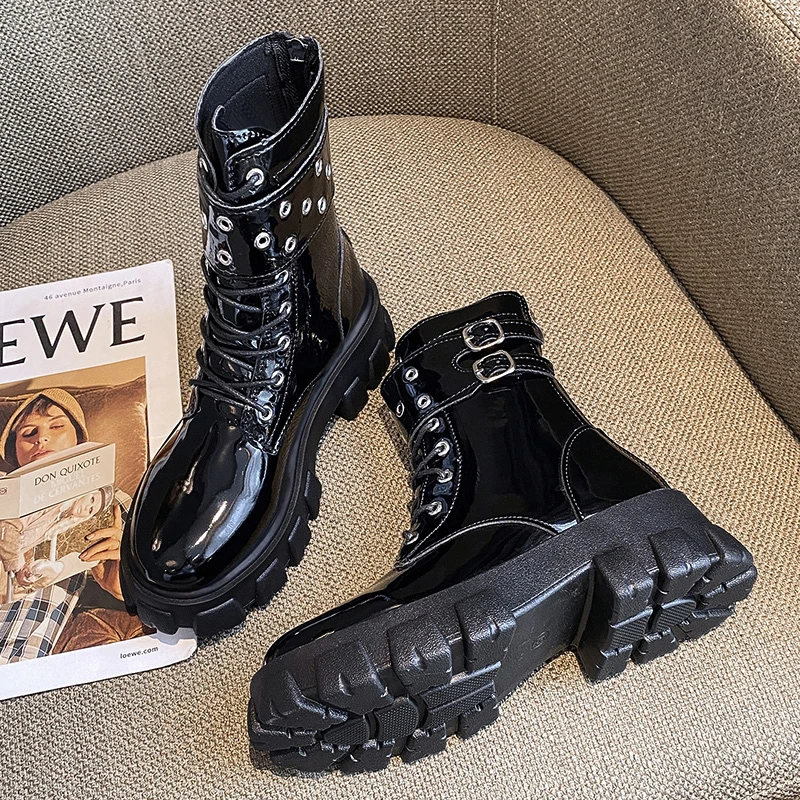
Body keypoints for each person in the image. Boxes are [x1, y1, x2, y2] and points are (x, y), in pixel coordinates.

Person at [0, 389, 150, 661]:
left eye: (56, 426)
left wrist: (125, 582)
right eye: (28, 433)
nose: (41, 438)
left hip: (20, 632)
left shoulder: (111, 500)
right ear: (14, 450)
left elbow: (162, 585)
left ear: (79, 439)